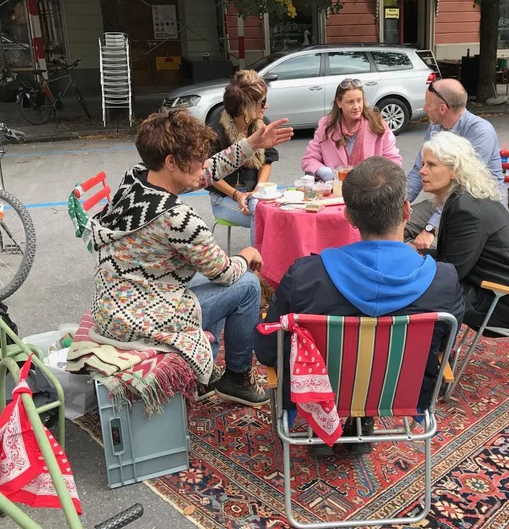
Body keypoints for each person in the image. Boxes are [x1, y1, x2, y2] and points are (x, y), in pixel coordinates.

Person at [255, 156, 464, 454]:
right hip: (404, 393)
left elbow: (267, 349)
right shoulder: (443, 281)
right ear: (406, 210)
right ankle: (363, 412)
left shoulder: (306, 275)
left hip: (319, 391)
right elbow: (446, 348)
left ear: (348, 217)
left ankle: (330, 415)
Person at [90, 109, 293, 406]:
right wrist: (247, 254)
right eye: (196, 159)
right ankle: (235, 379)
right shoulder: (176, 218)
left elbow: (205, 172)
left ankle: (209, 368)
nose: (203, 166)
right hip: (141, 318)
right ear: (172, 162)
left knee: (212, 279)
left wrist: (251, 142)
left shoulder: (136, 178)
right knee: (247, 284)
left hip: (113, 304)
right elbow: (224, 272)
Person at [416, 131, 509, 334]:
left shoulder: (465, 208)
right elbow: (453, 258)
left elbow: (452, 272)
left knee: (427, 290)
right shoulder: (466, 198)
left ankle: (431, 355)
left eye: (431, 165)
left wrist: (410, 265)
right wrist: (416, 254)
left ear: (454, 171)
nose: (422, 171)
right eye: (423, 164)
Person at [405, 78, 503, 250]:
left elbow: (463, 186)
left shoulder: (481, 132)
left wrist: (431, 227)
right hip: (442, 202)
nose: (425, 108)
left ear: (442, 108)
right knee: (395, 227)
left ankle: (432, 268)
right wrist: (400, 201)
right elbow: (417, 170)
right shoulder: (435, 127)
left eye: (428, 104)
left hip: (476, 206)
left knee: (443, 244)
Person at [207, 70, 279, 245]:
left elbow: (267, 161)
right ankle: (260, 267)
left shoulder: (262, 124)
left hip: (255, 195)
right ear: (243, 108)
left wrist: (258, 189)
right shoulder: (216, 130)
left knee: (282, 212)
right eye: (262, 102)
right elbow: (209, 175)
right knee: (264, 215)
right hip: (224, 198)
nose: (266, 106)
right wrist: (236, 194)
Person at [301, 78, 402, 180]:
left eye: (359, 100)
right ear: (339, 103)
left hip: (370, 191)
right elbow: (309, 159)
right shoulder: (326, 126)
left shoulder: (378, 125)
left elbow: (394, 161)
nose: (356, 106)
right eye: (350, 102)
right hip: (335, 190)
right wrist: (323, 171)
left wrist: (374, 176)